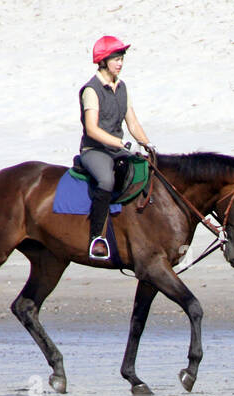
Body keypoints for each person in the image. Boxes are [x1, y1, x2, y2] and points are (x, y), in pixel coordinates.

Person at [79, 37, 154, 260]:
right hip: (95, 151)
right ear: (103, 61)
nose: (120, 64)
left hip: (118, 149)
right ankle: (96, 238)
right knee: (106, 181)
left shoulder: (122, 88)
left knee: (145, 171)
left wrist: (147, 144)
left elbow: (132, 123)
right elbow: (91, 129)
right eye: (116, 59)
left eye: (121, 59)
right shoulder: (91, 90)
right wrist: (118, 143)